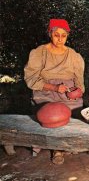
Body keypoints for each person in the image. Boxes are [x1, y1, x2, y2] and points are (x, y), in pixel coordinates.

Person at [24, 19, 85, 165]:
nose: (60, 39)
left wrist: (78, 91)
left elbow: (79, 79)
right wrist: (54, 88)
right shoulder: (39, 53)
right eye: (56, 35)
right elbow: (31, 78)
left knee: (75, 115)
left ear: (67, 36)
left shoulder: (73, 55)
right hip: (44, 90)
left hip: (67, 90)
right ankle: (57, 150)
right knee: (52, 116)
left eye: (63, 36)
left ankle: (69, 144)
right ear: (50, 34)